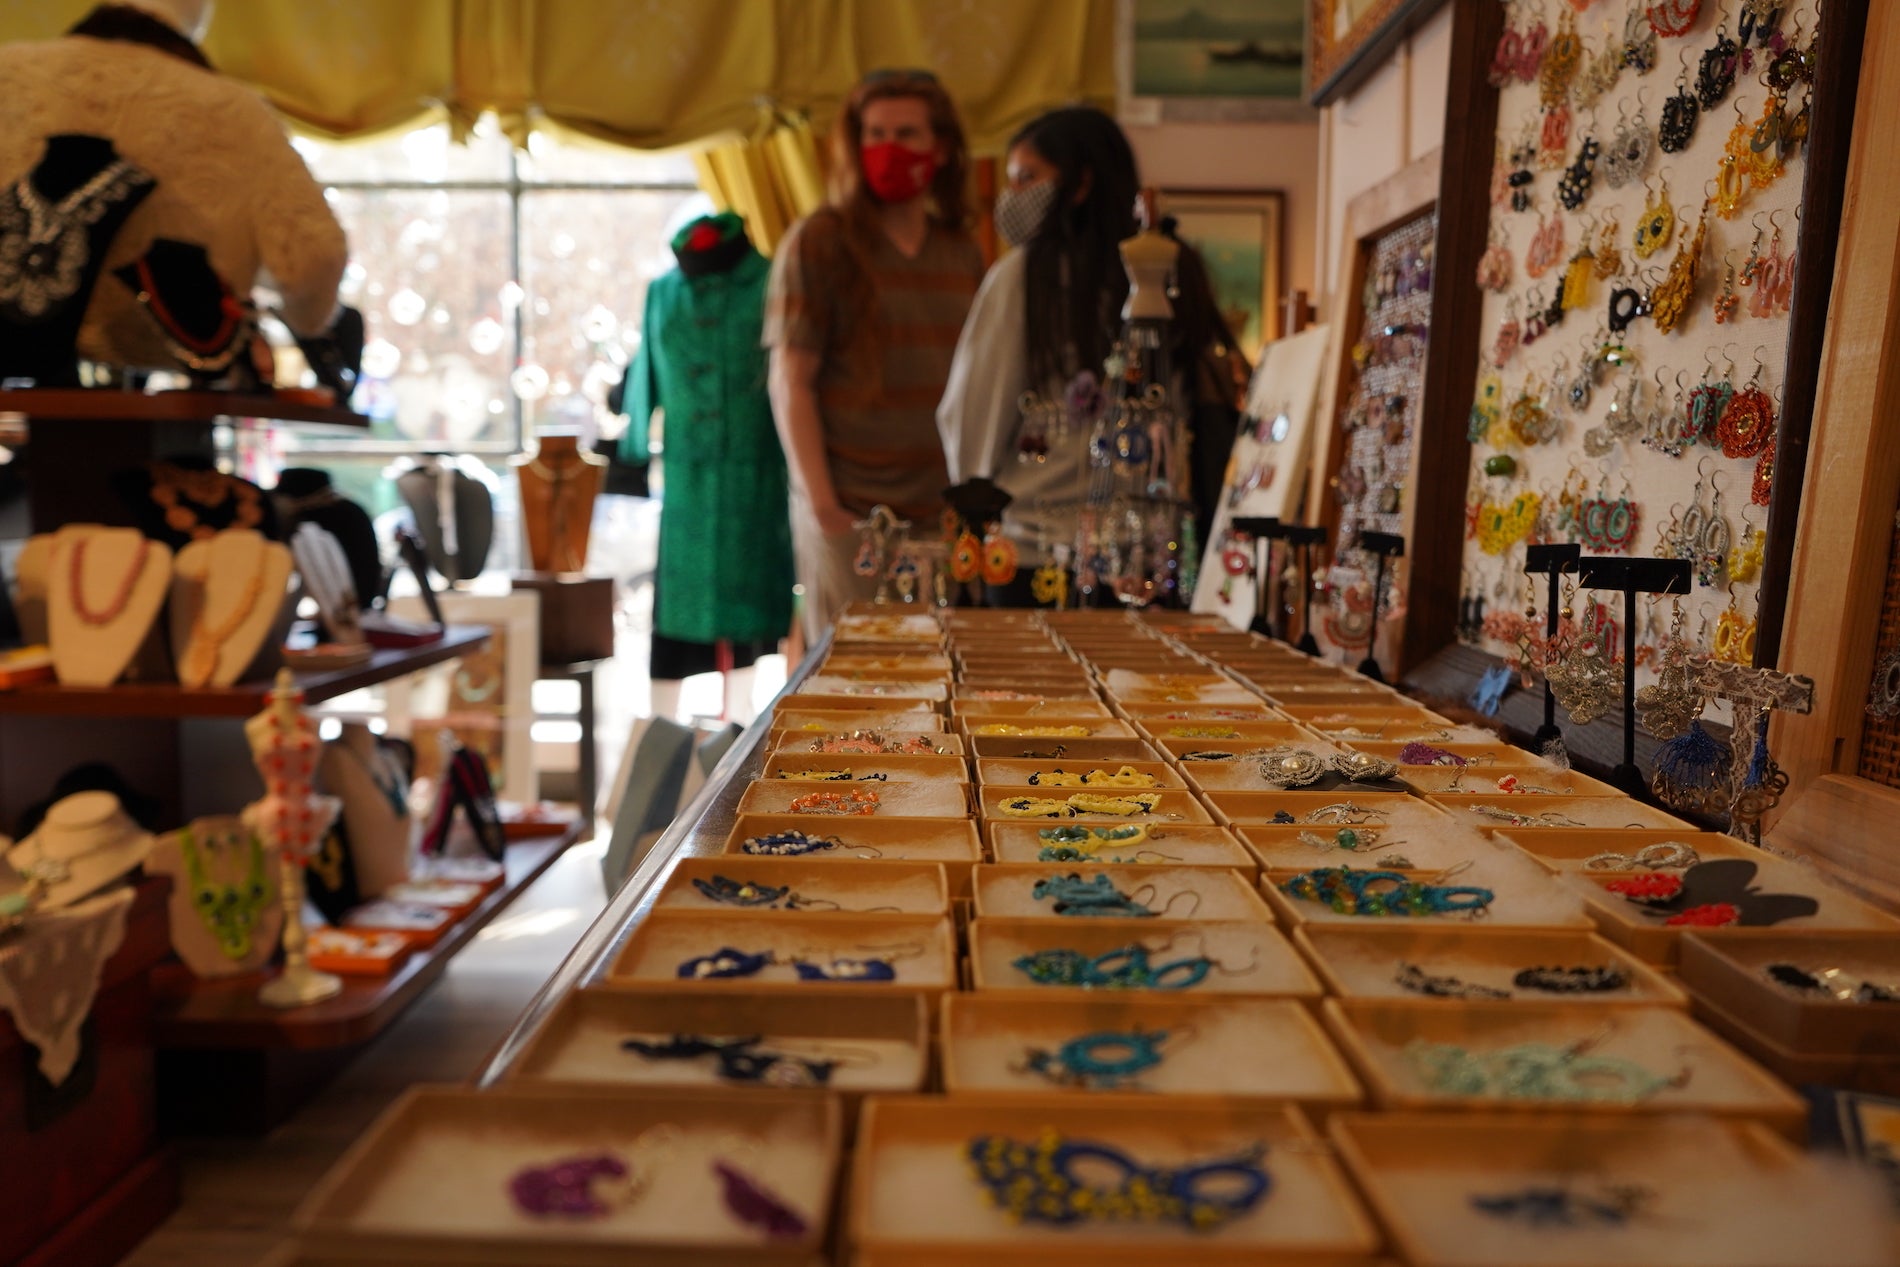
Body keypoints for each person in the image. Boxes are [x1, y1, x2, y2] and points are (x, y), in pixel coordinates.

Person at [936, 105, 1247, 606]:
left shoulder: (1024, 277)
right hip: (1158, 557)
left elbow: (973, 420)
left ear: (1080, 183)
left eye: (1027, 178)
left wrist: (975, 498)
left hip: (1037, 555)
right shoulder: (1176, 266)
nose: (1012, 196)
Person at [764, 70, 985, 642]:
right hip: (852, 515)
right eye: (875, 133)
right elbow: (792, 383)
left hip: (941, 515)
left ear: (939, 147)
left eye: (907, 133)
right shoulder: (820, 242)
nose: (889, 148)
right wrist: (824, 508)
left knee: (938, 676)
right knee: (855, 689)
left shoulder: (961, 249)